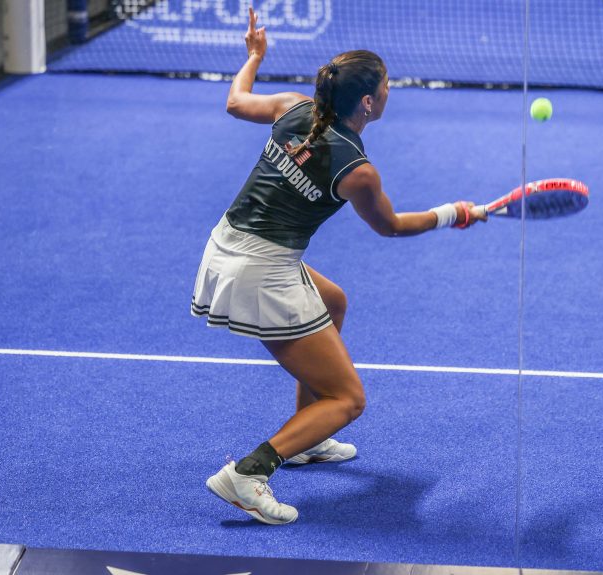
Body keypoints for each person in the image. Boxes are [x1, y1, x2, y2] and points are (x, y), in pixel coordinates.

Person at [194, 8, 486, 525]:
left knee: (332, 301)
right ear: (368, 102)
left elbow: (235, 101)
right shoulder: (358, 171)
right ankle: (249, 472)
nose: (390, 90)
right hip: (262, 271)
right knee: (349, 399)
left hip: (225, 245)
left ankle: (308, 437)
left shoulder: (293, 106)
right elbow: (390, 226)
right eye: (386, 85)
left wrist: (255, 57)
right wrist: (453, 213)